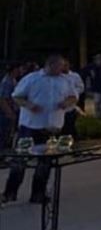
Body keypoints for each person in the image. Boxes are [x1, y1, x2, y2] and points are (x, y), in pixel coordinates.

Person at [2, 54, 78, 204]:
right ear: (50, 65)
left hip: (52, 128)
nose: (62, 69)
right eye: (59, 66)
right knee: (20, 162)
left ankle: (38, 194)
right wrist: (30, 105)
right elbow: (16, 96)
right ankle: (9, 193)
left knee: (45, 164)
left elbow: (73, 97)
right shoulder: (32, 79)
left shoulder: (65, 81)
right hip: (30, 127)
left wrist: (66, 102)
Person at [0, 64, 22, 150]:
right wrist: (9, 112)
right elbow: (3, 98)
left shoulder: (13, 80)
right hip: (7, 112)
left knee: (10, 134)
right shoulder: (7, 82)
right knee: (4, 134)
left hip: (13, 109)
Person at [61, 59, 84, 139]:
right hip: (61, 105)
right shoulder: (58, 77)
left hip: (72, 102)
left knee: (70, 123)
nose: (64, 67)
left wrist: (74, 93)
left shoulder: (75, 76)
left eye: (66, 65)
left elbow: (81, 87)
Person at [84, 53, 101, 120]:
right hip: (96, 88)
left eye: (100, 58)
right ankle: (98, 115)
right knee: (97, 102)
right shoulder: (91, 66)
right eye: (97, 58)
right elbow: (85, 71)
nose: (98, 60)